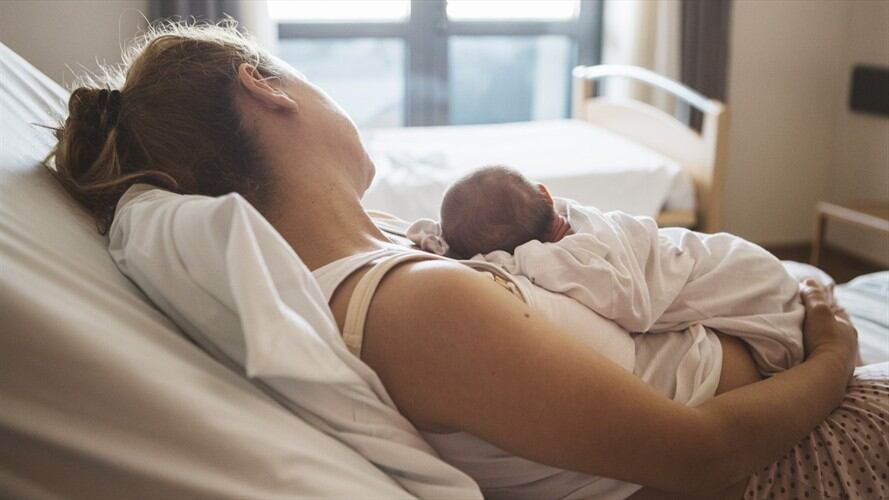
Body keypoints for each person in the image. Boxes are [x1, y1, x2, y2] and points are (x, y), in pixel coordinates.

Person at [47, 22, 888, 500]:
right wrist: (833, 353)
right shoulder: (416, 306)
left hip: (781, 397)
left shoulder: (385, 245)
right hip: (791, 449)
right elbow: (702, 456)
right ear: (264, 87)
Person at [412, 165, 806, 377]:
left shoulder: (570, 253)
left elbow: (632, 307)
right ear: (545, 193)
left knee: (777, 332)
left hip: (741, 275)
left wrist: (505, 256)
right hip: (736, 257)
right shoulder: (559, 224)